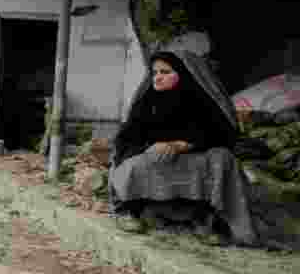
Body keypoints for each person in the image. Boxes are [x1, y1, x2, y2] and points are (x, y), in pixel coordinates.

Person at [109, 50, 259, 247]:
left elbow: (222, 135)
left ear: (182, 74)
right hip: (155, 159)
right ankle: (131, 211)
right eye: (154, 73)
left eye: (165, 72)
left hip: (193, 158)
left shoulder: (201, 102)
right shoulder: (147, 102)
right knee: (135, 165)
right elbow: (126, 139)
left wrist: (183, 144)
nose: (158, 78)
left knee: (222, 158)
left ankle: (203, 220)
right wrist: (150, 146)